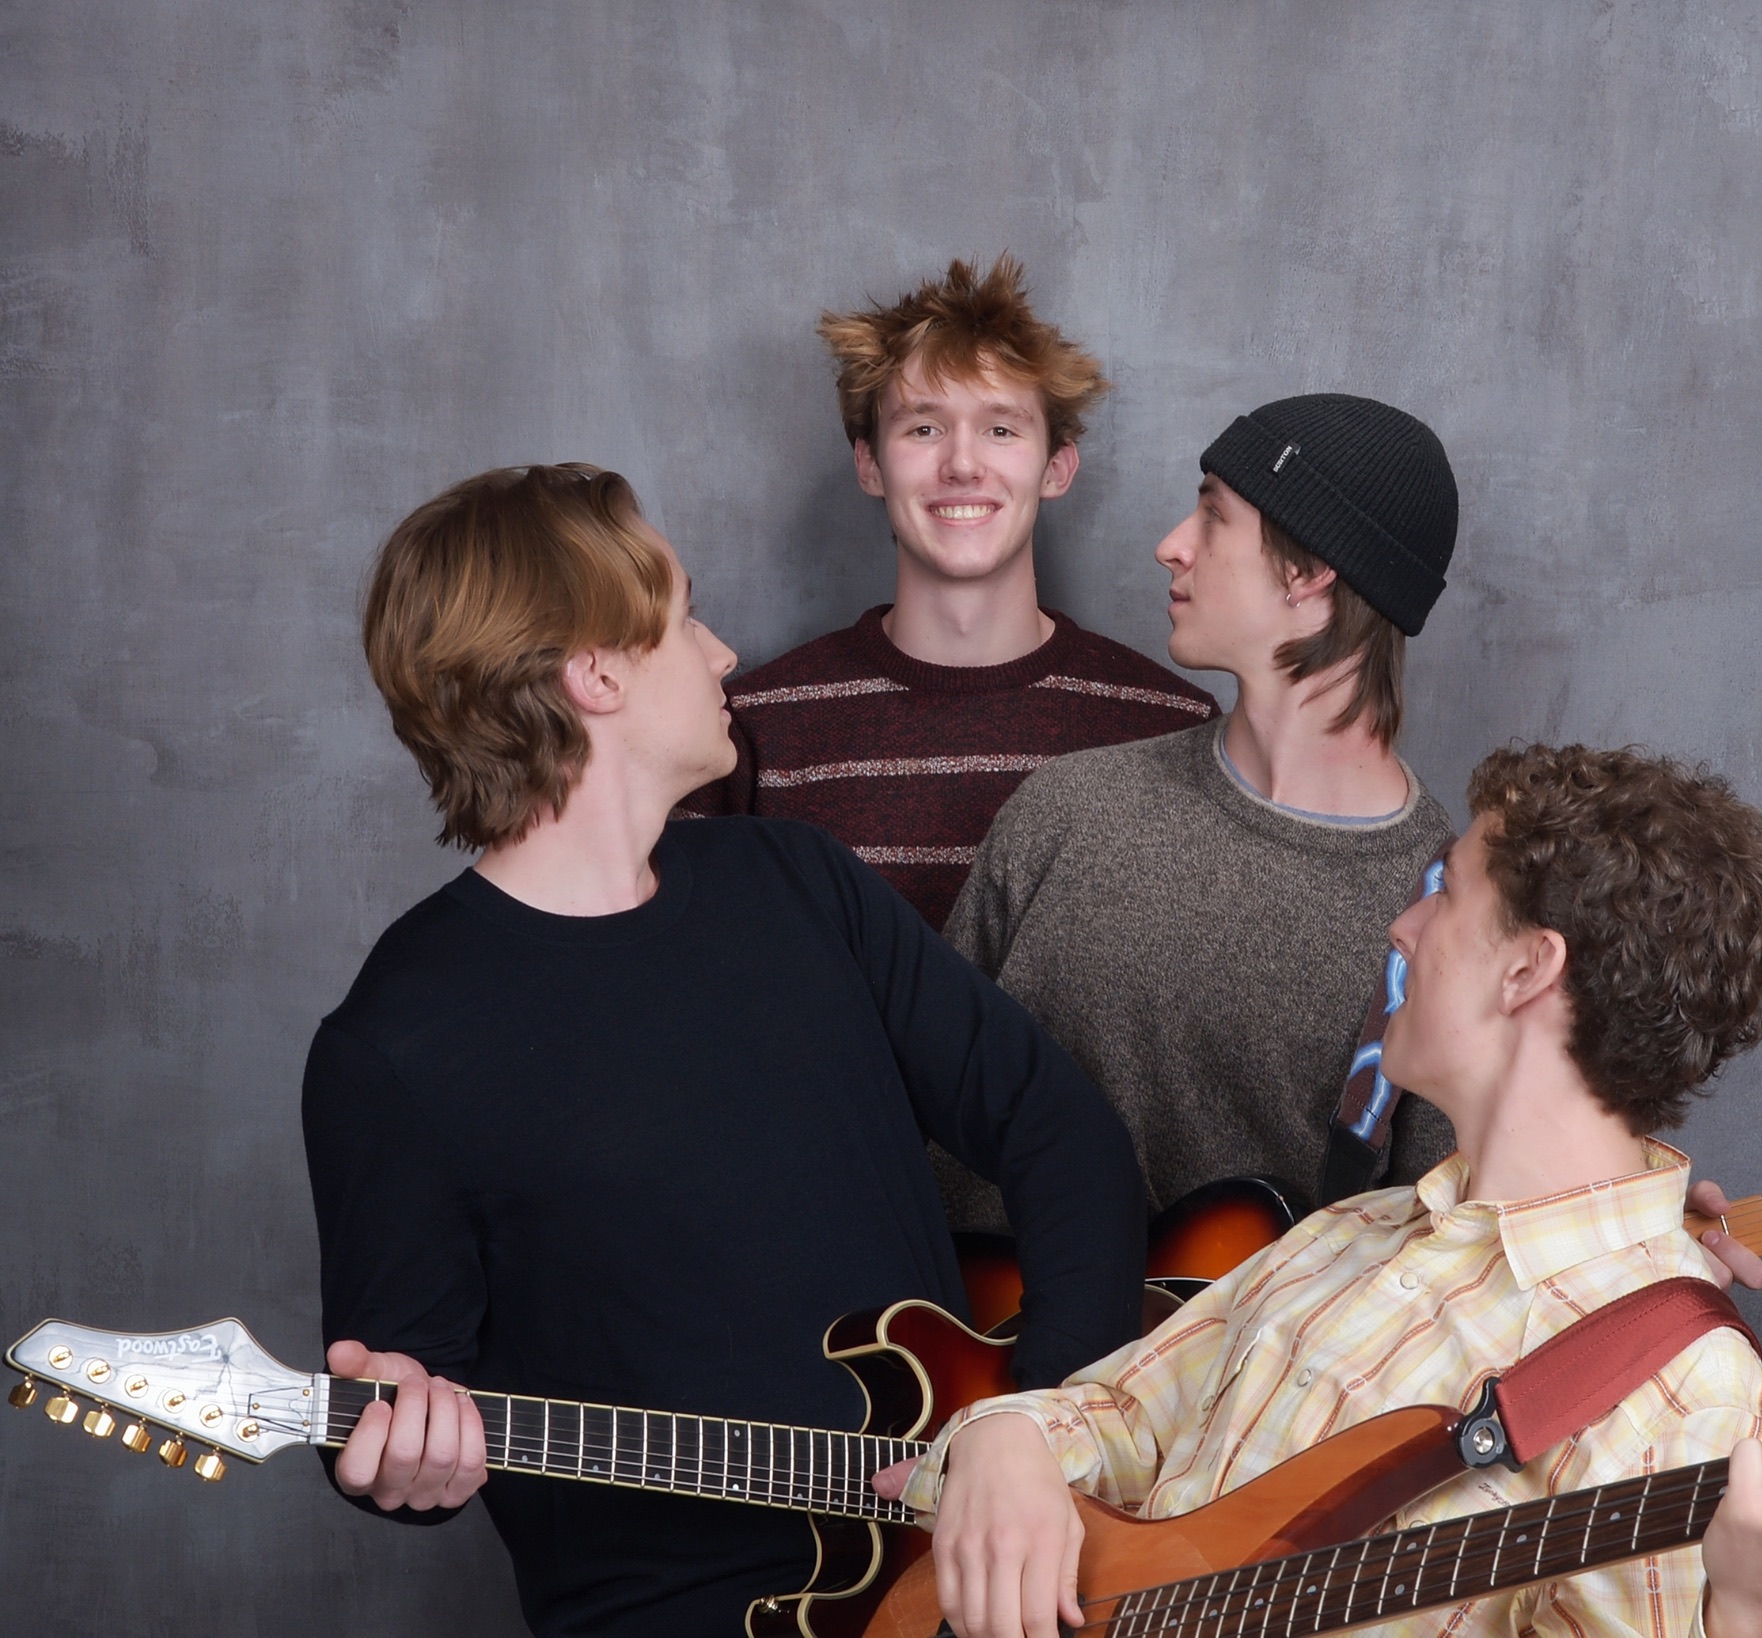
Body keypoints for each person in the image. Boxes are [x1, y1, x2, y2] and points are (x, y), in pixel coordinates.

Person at [300, 464, 1146, 1636]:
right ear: (593, 674)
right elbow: (402, 1415)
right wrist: (404, 1467)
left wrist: (1032, 1425)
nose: (725, 653)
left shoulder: (794, 881)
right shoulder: (392, 1046)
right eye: (685, 615)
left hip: (950, 1584)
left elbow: (1064, 1137)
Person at [885, 744, 1762, 1638]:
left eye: (1444, 893)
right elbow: (1113, 1415)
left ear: (1524, 971)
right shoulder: (1352, 1234)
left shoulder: (1680, 1389)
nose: (1403, 926)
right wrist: (1006, 1444)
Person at [935, 393, 1463, 1226]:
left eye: (1213, 517)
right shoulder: (1066, 811)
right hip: (975, 1348)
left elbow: (1456, 1248)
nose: (1171, 546)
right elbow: (922, 1112)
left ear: (1310, 569)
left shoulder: (1445, 911)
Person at [685, 254, 1216, 929]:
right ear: (870, 464)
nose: (962, 464)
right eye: (923, 428)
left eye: (1000, 429)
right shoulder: (750, 730)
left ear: (1057, 467)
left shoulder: (1169, 726)